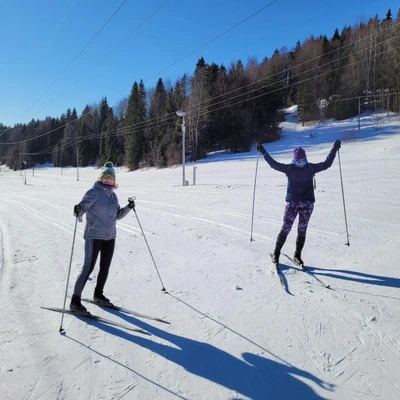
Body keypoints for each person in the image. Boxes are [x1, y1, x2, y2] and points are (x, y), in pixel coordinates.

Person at [256, 140, 341, 266]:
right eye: (298, 161)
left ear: (306, 160)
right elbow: (273, 164)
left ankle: (297, 255)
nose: (301, 164)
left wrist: (334, 149)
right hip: (292, 204)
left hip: (307, 204)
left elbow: (326, 164)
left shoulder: (311, 168)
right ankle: (276, 253)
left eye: (303, 161)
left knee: (302, 230)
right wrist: (263, 151)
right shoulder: (289, 169)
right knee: (286, 228)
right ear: (294, 161)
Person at [70, 161, 135, 315]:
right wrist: (77, 211)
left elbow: (117, 215)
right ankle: (75, 301)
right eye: (105, 177)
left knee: (104, 268)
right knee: (88, 268)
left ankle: (98, 295)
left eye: (110, 178)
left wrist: (128, 208)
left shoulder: (113, 196)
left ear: (114, 181)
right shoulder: (93, 192)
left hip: (110, 237)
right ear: (100, 178)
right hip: (94, 236)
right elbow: (81, 210)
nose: (107, 180)